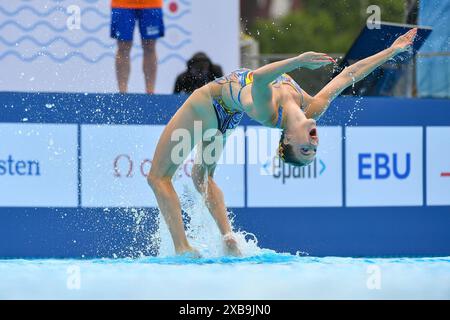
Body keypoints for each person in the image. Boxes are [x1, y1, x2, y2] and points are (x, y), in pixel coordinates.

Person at [147, 29, 418, 257]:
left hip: (206, 104)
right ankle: (228, 236)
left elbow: (260, 77)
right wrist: (391, 51)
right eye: (314, 150)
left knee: (158, 177)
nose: (314, 145)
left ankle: (182, 247)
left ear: (288, 137)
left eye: (305, 150)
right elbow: (349, 76)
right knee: (201, 176)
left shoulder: (267, 110)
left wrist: (298, 61)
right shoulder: (313, 107)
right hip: (225, 115)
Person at [111, 0, 165, 94]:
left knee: (150, 46)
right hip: (122, 3)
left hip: (151, 3)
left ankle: (150, 93)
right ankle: (122, 93)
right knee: (123, 47)